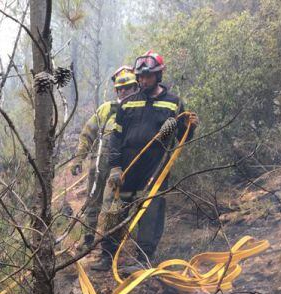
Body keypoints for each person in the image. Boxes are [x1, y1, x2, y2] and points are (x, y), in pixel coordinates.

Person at [95, 50, 198, 271]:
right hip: (126, 167)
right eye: (140, 77)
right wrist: (115, 166)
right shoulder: (129, 102)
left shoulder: (173, 104)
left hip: (155, 167)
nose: (143, 81)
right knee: (116, 209)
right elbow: (117, 136)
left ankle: (143, 259)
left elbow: (182, 138)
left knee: (150, 210)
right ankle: (107, 256)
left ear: (158, 75)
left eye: (148, 76)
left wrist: (191, 126)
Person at [71, 66, 139, 250]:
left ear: (136, 88)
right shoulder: (106, 109)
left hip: (119, 170)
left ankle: (108, 250)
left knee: (112, 208)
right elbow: (87, 134)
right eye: (120, 88)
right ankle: (88, 240)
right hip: (98, 165)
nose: (124, 91)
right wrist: (78, 159)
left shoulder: (138, 112)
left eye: (128, 87)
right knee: (92, 202)